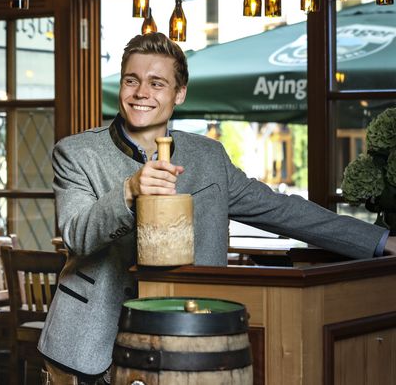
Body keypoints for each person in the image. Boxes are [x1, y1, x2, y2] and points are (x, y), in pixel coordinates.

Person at [38, 32, 396, 384]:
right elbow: (76, 234)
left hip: (191, 341)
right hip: (87, 347)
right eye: (132, 80)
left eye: (157, 83)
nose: (141, 93)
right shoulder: (76, 153)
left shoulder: (209, 156)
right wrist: (129, 191)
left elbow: (281, 210)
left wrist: (378, 241)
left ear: (180, 93)